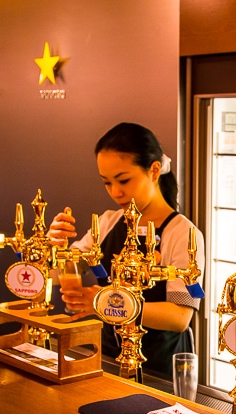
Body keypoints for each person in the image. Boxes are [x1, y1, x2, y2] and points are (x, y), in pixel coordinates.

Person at [48, 122, 205, 376]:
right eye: (107, 183)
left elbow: (179, 317)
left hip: (160, 368)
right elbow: (57, 274)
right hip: (109, 360)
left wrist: (104, 303)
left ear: (154, 171)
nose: (116, 192)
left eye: (124, 180)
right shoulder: (109, 222)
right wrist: (56, 247)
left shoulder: (182, 233)